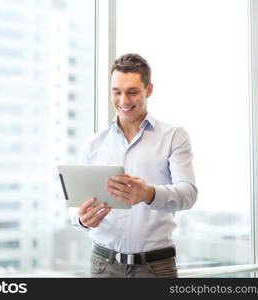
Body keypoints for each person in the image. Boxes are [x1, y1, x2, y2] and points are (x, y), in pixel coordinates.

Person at [70, 53, 198, 278]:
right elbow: (76, 202)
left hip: (155, 267)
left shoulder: (173, 136)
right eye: (116, 92)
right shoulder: (93, 144)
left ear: (148, 90)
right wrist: (80, 219)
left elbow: (188, 194)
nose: (123, 101)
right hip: (103, 265)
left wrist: (148, 193)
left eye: (132, 92)